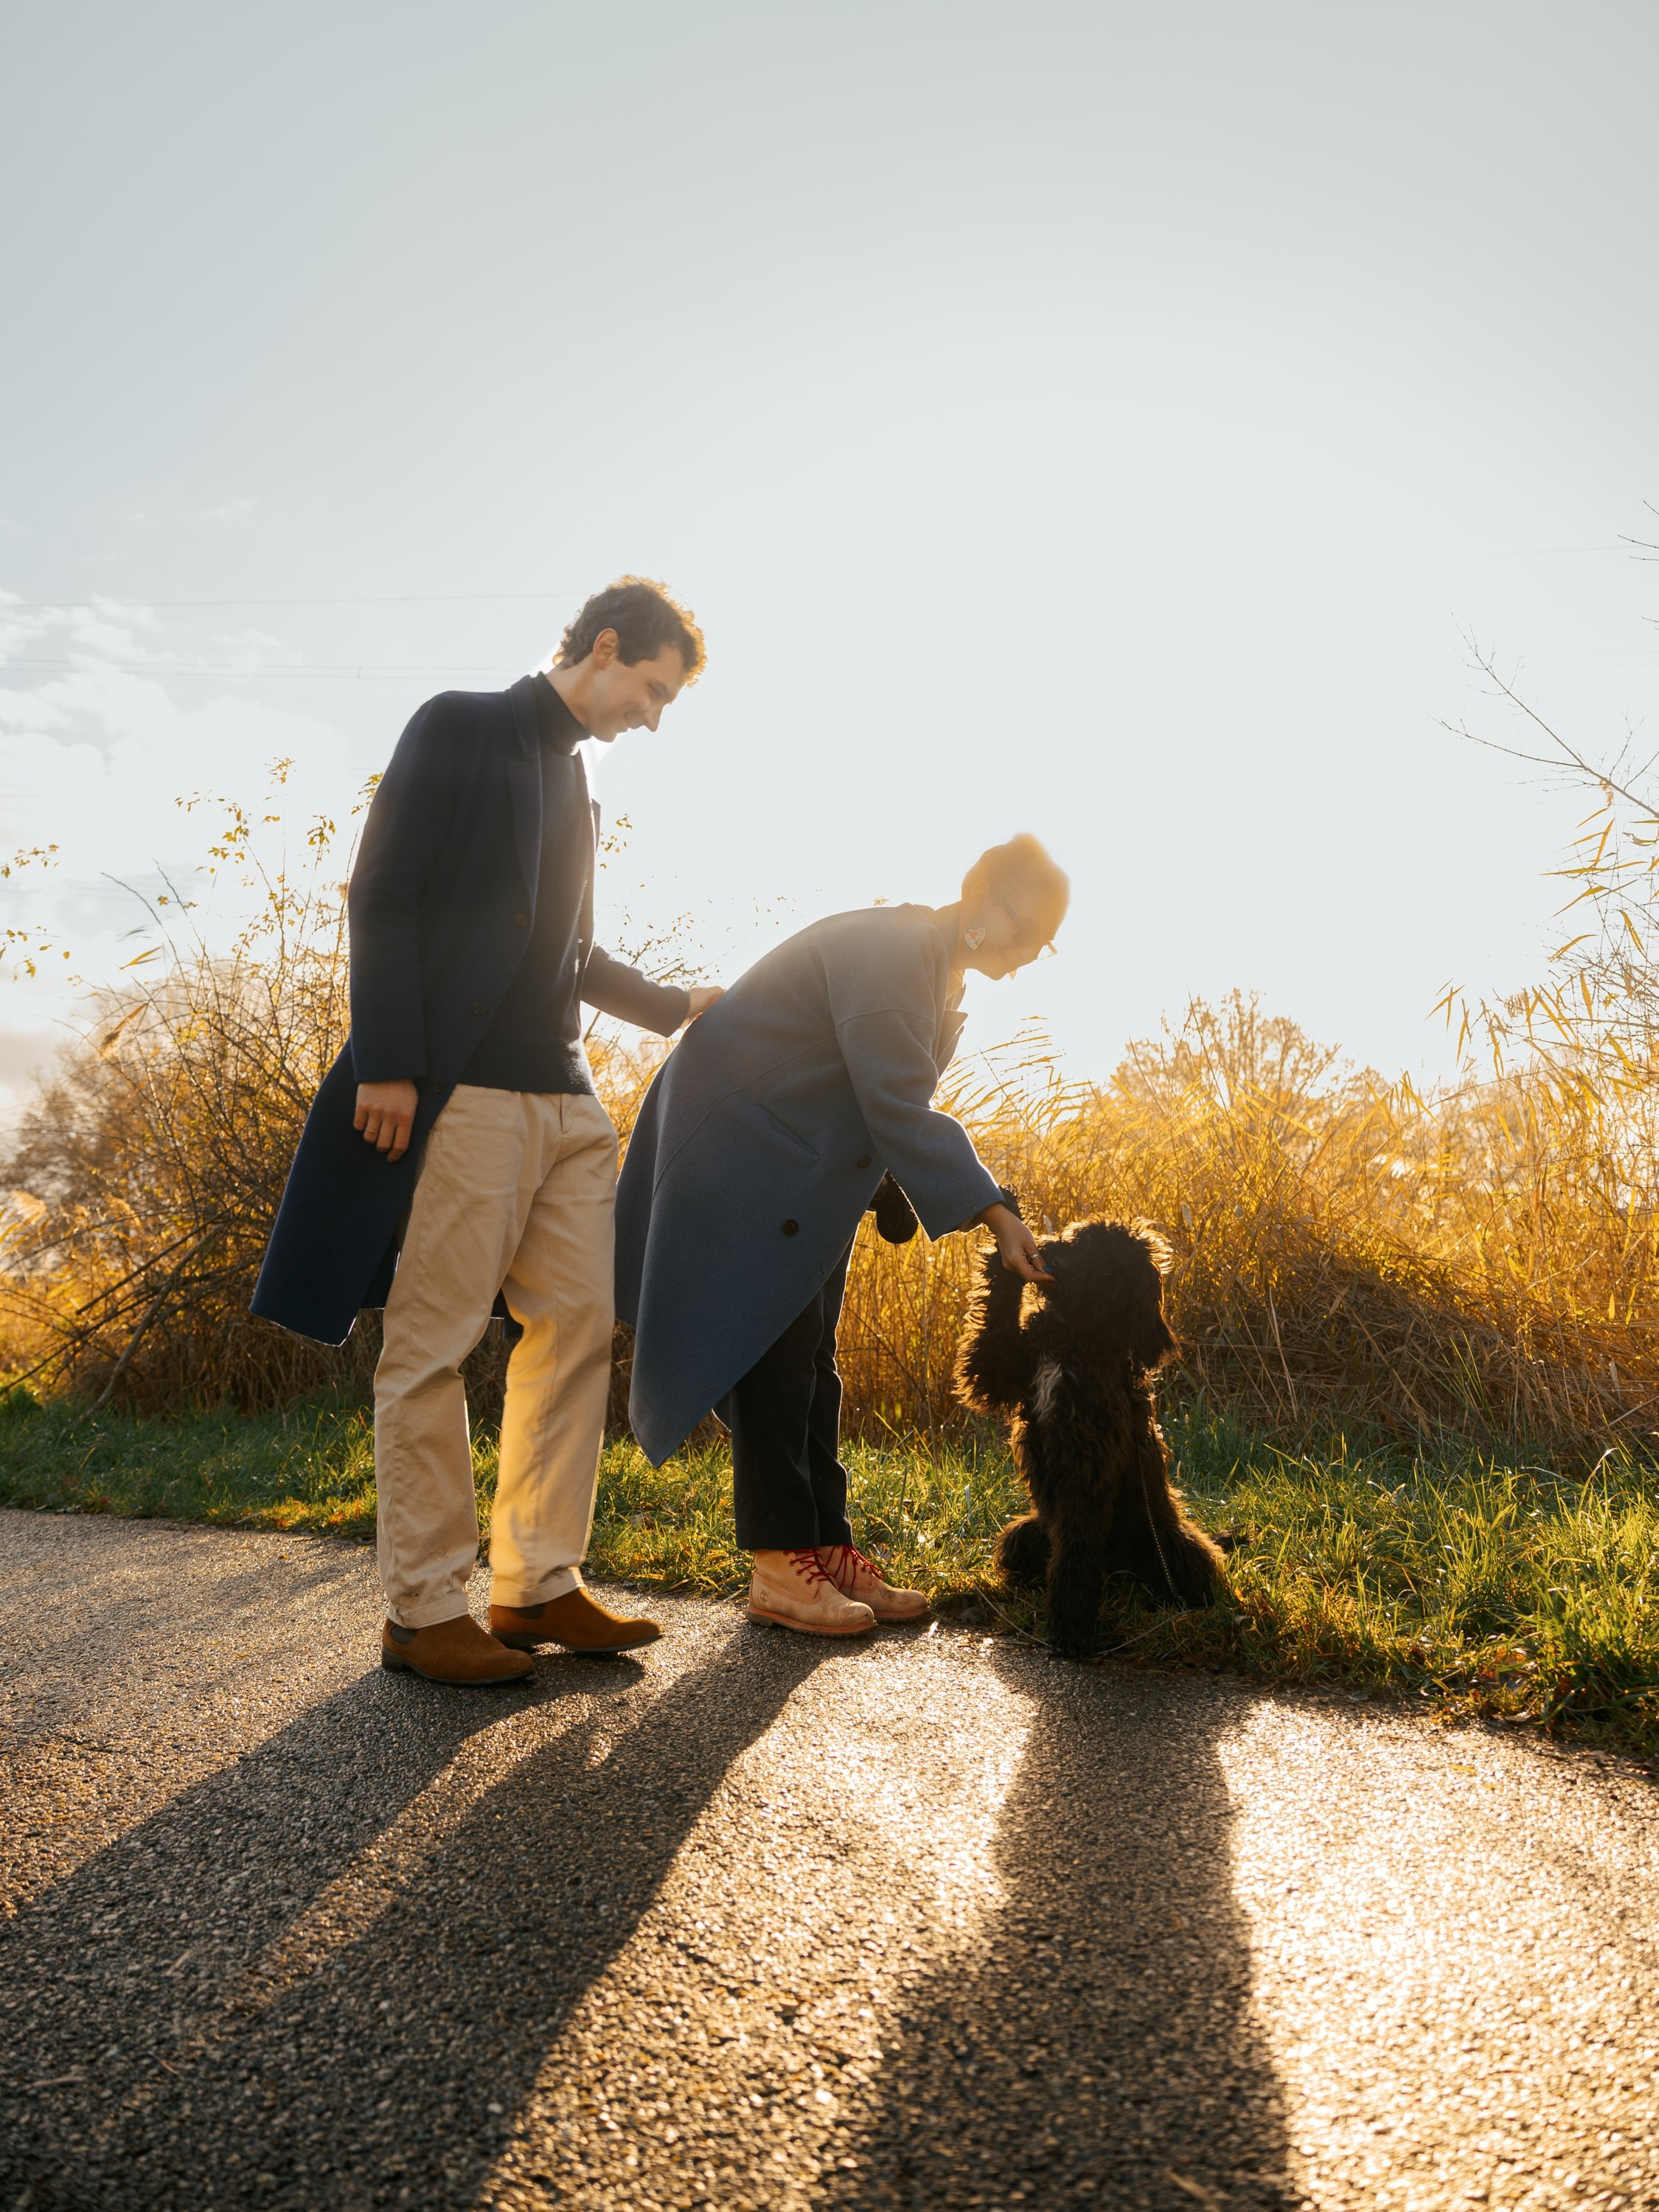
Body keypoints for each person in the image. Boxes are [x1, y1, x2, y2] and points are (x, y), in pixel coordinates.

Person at [253, 578, 722, 1686]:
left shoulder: (577, 790)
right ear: (605, 647)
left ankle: (536, 1585)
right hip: (463, 1096)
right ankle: (422, 1609)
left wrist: (671, 1007)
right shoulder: (461, 724)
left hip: (565, 1097)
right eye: (650, 691)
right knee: (434, 1340)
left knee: (577, 1325)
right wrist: (391, 1063)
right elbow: (387, 894)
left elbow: (570, 954)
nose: (650, 718)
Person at [615, 835, 1068, 1635]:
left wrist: (894, 1183)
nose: (1032, 955)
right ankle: (777, 1564)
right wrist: (995, 1210)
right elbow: (895, 1101)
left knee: (814, 1358)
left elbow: (871, 1093)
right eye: (1030, 932)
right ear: (986, 902)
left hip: (798, 1162)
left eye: (1045, 943)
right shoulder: (896, 949)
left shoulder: (935, 968)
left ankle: (824, 1543)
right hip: (740, 1150)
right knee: (773, 1351)